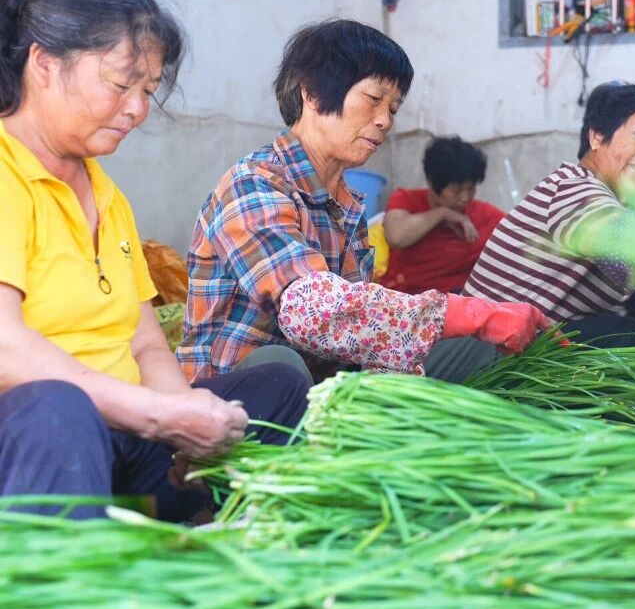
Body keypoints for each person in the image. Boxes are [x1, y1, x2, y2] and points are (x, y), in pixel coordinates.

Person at [0, 0, 310, 523]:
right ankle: (66, 564)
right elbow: (6, 348)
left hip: (121, 434)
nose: (138, 109)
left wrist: (183, 417)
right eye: (121, 85)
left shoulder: (107, 196)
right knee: (58, 409)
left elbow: (145, 344)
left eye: (147, 91)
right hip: (38, 439)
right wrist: (154, 414)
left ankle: (210, 533)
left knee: (279, 388)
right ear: (44, 64)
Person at [179, 20, 548, 384]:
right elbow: (311, 311)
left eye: (394, 109)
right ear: (312, 93)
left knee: (478, 348)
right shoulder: (254, 185)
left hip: (329, 390)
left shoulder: (347, 206)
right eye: (374, 100)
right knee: (278, 367)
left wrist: (475, 323)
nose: (385, 120)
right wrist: (463, 312)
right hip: (231, 399)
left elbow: (357, 335)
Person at [465, 82, 635, 350]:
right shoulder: (574, 187)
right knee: (625, 333)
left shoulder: (607, 198)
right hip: (488, 351)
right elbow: (621, 243)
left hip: (515, 343)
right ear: (596, 137)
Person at [381, 136, 505, 295]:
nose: (465, 198)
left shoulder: (486, 215)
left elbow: (521, 235)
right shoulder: (406, 199)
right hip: (404, 300)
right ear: (432, 182)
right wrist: (442, 213)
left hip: (458, 302)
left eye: (471, 189)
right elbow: (395, 237)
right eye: (456, 190)